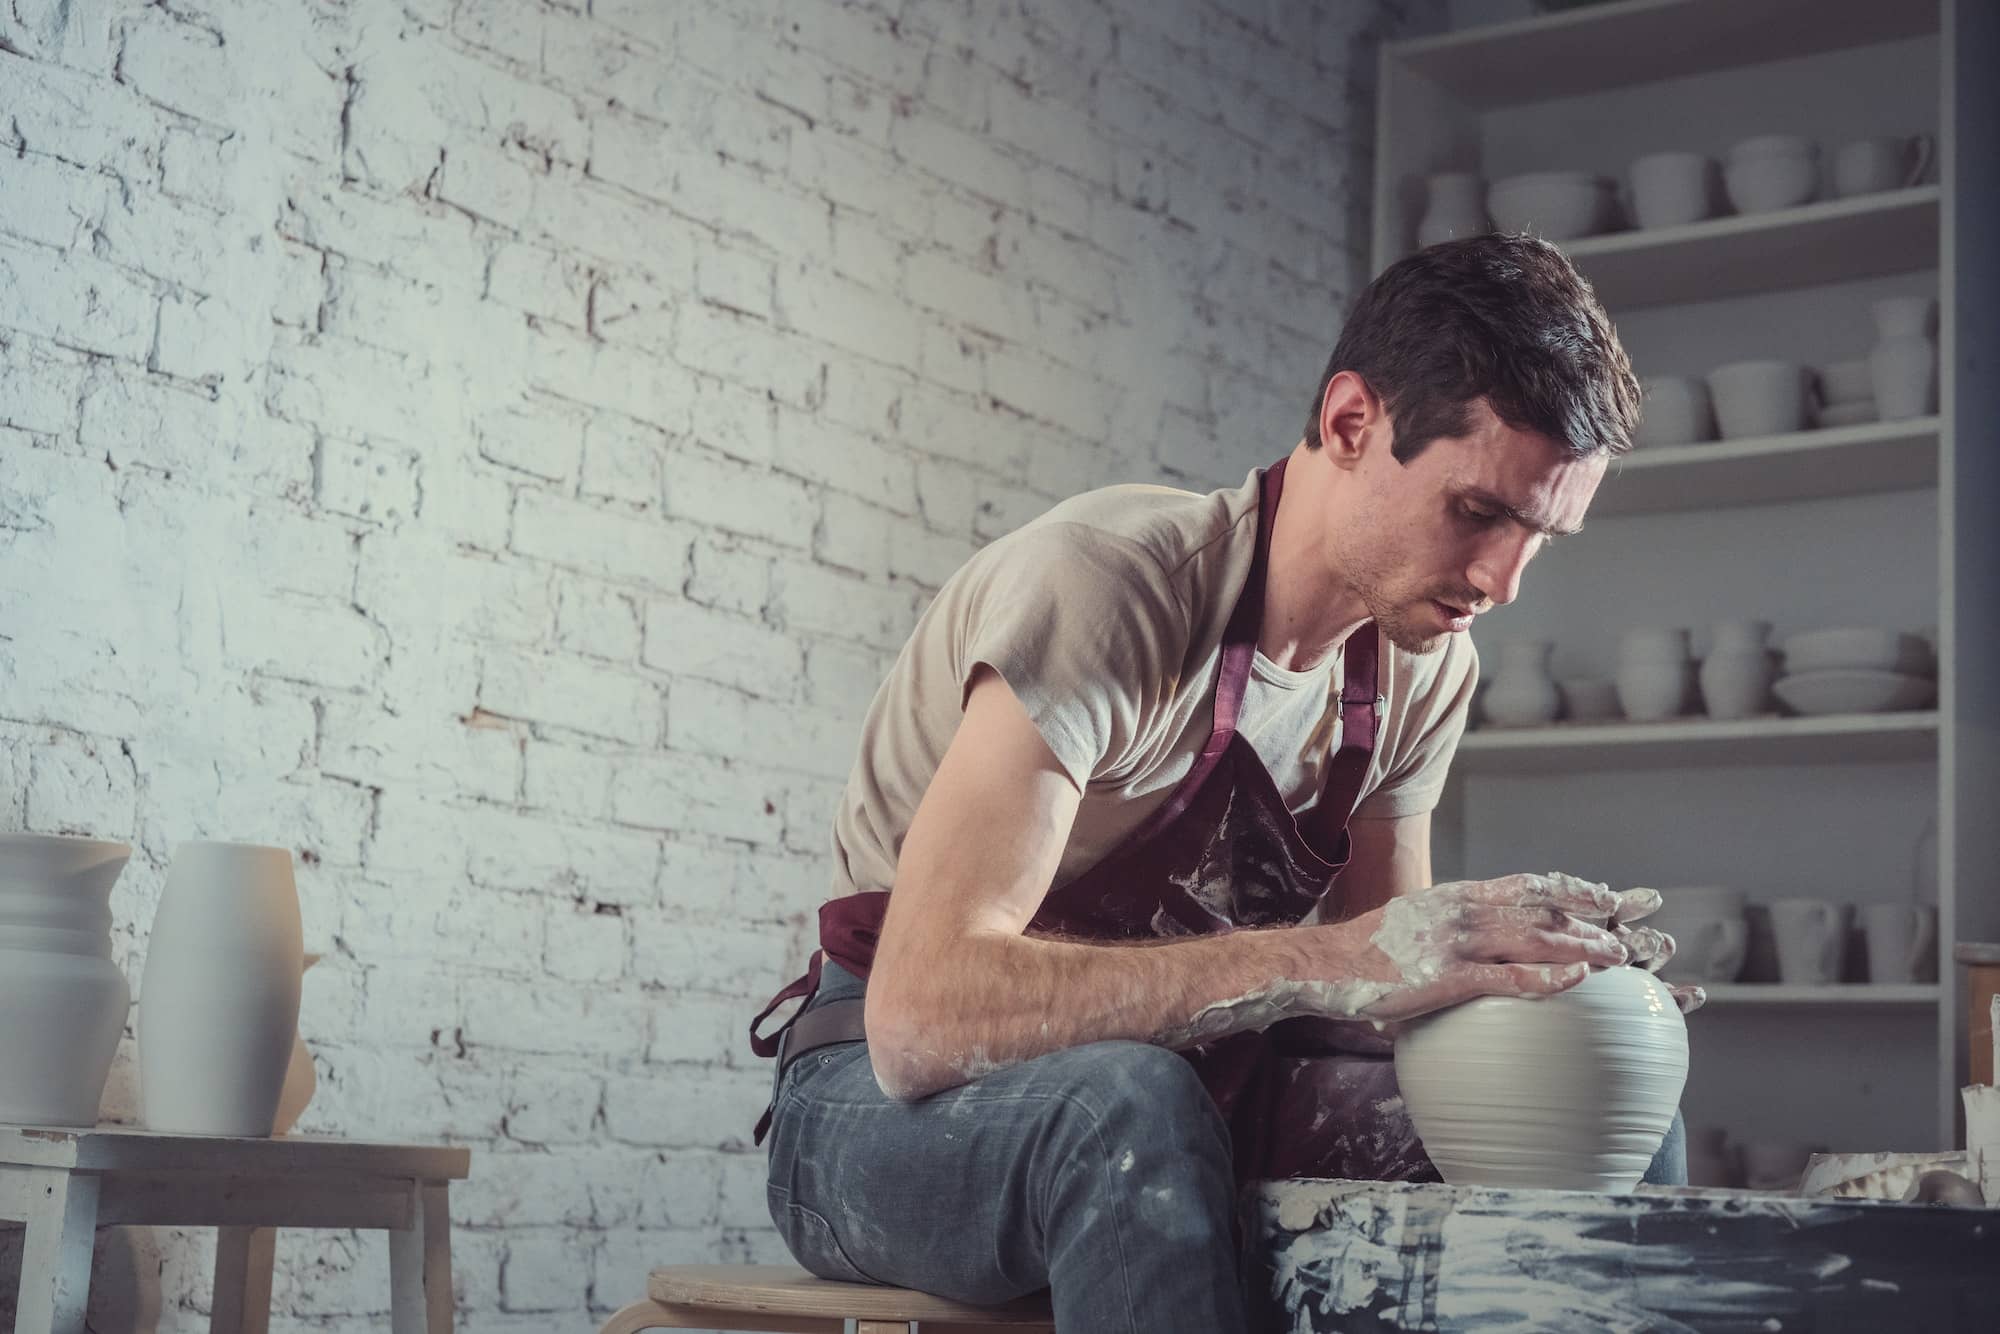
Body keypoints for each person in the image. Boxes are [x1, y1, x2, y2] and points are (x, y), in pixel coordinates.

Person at [749, 233, 1700, 1332]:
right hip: (878, 1108)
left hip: (1204, 1087)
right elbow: (921, 1016)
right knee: (1124, 1105)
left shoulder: (1421, 667)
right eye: (1477, 512)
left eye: (1541, 534)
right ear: (1350, 423)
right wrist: (1326, 958)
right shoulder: (1110, 591)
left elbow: (1383, 1002)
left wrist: (1546, 994)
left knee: (1591, 1108)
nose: (1501, 580)